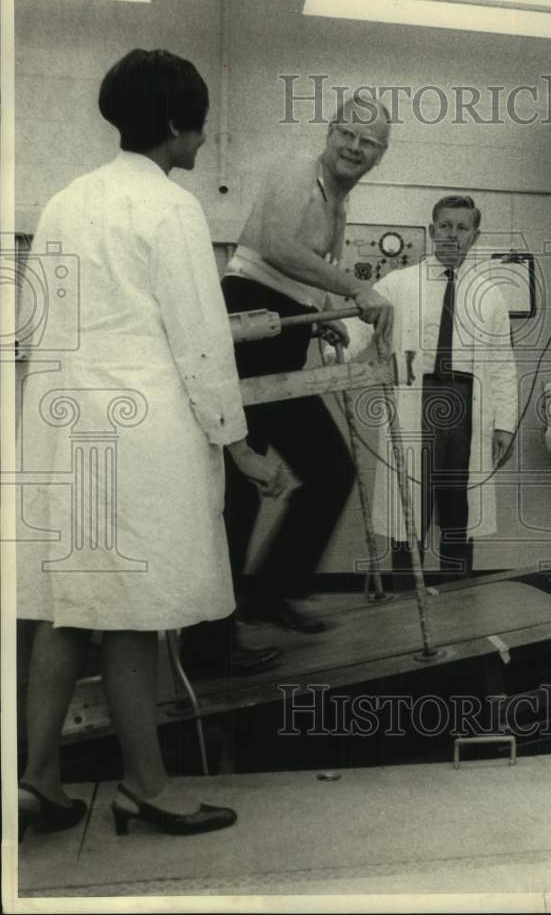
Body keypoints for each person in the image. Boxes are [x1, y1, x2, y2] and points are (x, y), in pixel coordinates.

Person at [16, 49, 283, 839]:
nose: (203, 142)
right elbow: (202, 343)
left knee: (67, 610)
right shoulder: (170, 208)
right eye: (199, 124)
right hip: (139, 438)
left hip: (67, 433)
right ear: (174, 124)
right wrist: (240, 448)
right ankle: (148, 785)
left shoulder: (66, 201)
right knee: (131, 615)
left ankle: (39, 778)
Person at [180, 94, 394, 676]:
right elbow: (273, 247)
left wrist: (320, 311)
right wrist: (354, 291)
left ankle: (270, 595)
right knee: (238, 487)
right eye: (346, 133)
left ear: (380, 157)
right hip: (248, 323)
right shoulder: (297, 171)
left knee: (330, 472)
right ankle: (206, 648)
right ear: (328, 134)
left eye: (367, 141)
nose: (354, 146)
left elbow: (294, 270)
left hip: (282, 325)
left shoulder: (338, 199)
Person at [346, 195, 518, 582]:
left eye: (461, 228)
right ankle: (408, 599)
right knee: (410, 508)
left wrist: (505, 425)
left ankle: (459, 597)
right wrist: (334, 345)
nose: (452, 235)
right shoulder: (398, 283)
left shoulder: (490, 295)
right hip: (415, 405)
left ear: (475, 236)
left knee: (459, 510)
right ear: (431, 231)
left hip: (465, 411)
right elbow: (360, 324)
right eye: (445, 226)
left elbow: (503, 364)